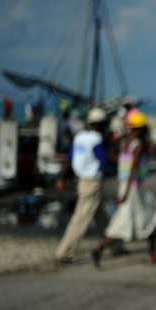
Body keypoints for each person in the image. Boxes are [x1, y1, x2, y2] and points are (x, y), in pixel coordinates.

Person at [91, 111, 156, 266]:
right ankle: (99, 248)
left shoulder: (125, 142)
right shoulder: (139, 145)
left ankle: (152, 254)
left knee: (141, 220)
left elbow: (115, 158)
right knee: (149, 219)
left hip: (126, 185)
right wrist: (125, 195)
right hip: (134, 188)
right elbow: (133, 169)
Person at [54, 107, 113, 264]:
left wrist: (61, 177)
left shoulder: (80, 137)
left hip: (81, 181)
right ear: (101, 124)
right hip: (92, 182)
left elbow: (69, 158)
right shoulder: (96, 140)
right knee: (80, 218)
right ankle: (65, 252)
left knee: (101, 216)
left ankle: (116, 245)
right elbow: (104, 161)